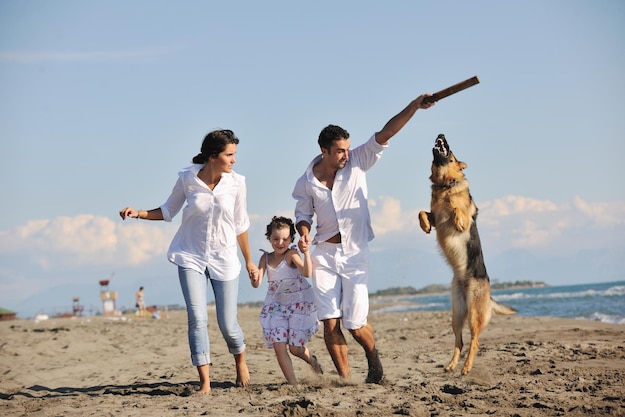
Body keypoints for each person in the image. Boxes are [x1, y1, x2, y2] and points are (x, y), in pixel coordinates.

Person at [292, 94, 435, 384]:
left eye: (347, 148)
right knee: (329, 322)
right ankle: (345, 379)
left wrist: (414, 106)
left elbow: (388, 131)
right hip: (323, 255)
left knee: (355, 325)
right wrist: (304, 232)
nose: (346, 154)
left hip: (355, 254)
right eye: (340, 151)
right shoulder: (306, 181)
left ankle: (372, 357)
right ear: (324, 151)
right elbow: (303, 214)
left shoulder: (358, 160)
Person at [119, 129, 258, 394]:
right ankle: (204, 382)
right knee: (196, 318)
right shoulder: (188, 178)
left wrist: (249, 261)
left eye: (234, 155)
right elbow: (168, 210)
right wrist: (138, 213)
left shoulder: (237, 183)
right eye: (230, 155)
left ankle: (240, 358)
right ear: (212, 156)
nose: (234, 160)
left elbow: (241, 225)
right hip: (191, 255)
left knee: (227, 324)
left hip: (224, 256)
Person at [250, 216, 323, 385]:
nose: (280, 242)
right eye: (276, 239)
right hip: (276, 308)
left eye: (285, 239)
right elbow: (257, 283)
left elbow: (306, 273)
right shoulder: (265, 258)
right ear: (269, 238)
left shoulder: (291, 254)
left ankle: (312, 361)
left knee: (295, 349)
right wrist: (254, 276)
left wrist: (305, 252)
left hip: (297, 307)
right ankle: (293, 383)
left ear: (291, 239)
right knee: (279, 346)